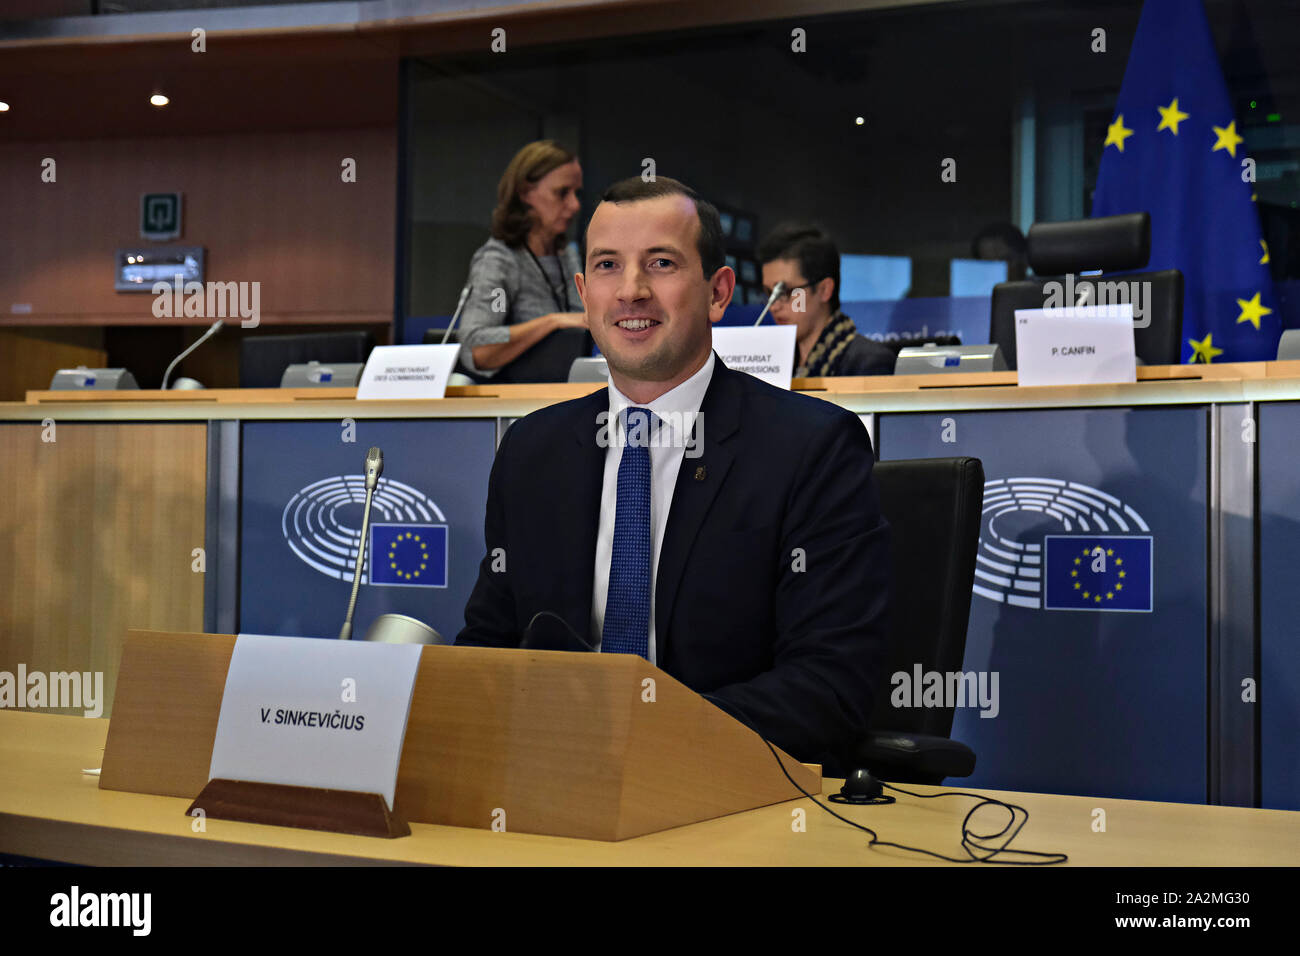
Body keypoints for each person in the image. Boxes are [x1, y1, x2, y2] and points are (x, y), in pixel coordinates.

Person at [456, 176, 891, 769]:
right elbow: (488, 652)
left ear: (718, 292)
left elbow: (830, 686)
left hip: (735, 803)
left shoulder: (813, 450)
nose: (632, 291)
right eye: (608, 266)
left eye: (660, 263)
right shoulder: (532, 452)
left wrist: (644, 739)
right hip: (555, 792)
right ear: (584, 296)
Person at [455, 140, 589, 379]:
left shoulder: (567, 253)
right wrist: (552, 322)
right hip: (518, 403)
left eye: (577, 193)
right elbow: (475, 346)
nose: (575, 205)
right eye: (562, 193)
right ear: (526, 193)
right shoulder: (499, 258)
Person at [757, 224, 896, 377]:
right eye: (769, 293)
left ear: (824, 290)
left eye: (784, 291)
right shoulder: (771, 364)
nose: (774, 306)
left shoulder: (867, 364)